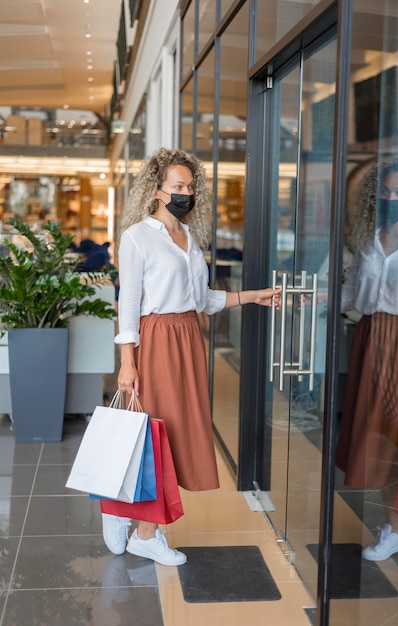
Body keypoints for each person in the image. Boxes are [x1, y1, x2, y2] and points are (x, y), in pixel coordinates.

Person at [101, 147, 281, 566]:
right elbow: (128, 304)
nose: (186, 192)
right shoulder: (137, 237)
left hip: (188, 336)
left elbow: (204, 300)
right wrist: (128, 363)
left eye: (191, 186)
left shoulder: (190, 241)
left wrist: (255, 296)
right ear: (156, 191)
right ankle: (142, 530)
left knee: (174, 434)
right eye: (178, 186)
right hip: (157, 337)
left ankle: (128, 514)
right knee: (155, 436)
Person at [336, 154, 398, 561]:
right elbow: (350, 295)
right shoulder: (370, 241)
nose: (392, 197)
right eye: (385, 192)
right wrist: (304, 299)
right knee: (382, 433)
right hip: (371, 340)